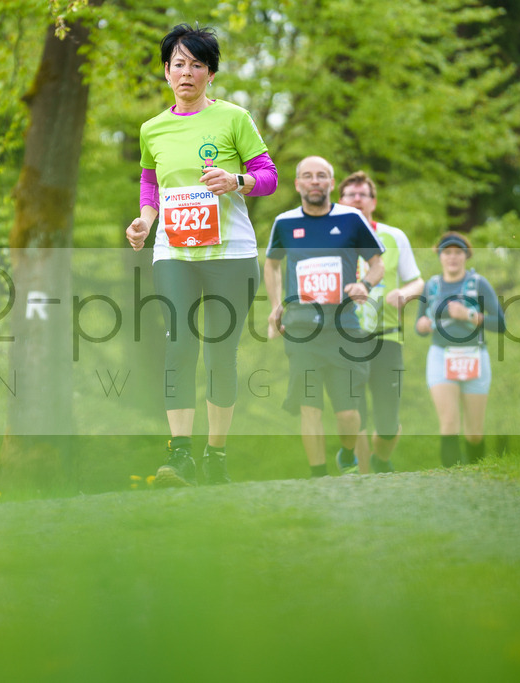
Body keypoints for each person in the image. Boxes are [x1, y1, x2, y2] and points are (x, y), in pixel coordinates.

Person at [126, 23, 278, 487]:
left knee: (220, 356)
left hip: (230, 254)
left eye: (196, 64)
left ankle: (216, 453)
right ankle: (180, 455)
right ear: (166, 72)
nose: (186, 72)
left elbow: (268, 175)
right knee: (178, 346)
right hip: (174, 252)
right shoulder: (152, 128)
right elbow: (150, 184)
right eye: (178, 64)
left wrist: (238, 182)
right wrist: (145, 222)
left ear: (210, 73)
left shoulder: (234, 118)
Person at [264, 156, 385, 478]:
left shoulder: (352, 219)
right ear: (298, 184)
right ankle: (317, 477)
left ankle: (346, 452)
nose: (315, 181)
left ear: (332, 183)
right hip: (302, 327)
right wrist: (276, 304)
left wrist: (365, 284)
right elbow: (272, 264)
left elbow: (377, 264)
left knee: (347, 413)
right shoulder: (285, 223)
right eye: (308, 176)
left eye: (321, 176)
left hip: (345, 328)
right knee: (310, 405)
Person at [337, 171, 424, 474]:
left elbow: (418, 282)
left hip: (387, 337)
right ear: (340, 201)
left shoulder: (394, 236)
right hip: (347, 335)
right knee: (354, 411)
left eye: (363, 194)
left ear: (373, 202)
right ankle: (364, 477)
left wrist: (404, 293)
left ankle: (381, 459)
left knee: (388, 422)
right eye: (350, 195)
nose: (357, 199)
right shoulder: (331, 236)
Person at [415, 232, 505, 467]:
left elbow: (501, 324)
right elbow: (419, 325)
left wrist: (469, 315)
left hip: (474, 355)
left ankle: (478, 476)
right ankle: (450, 481)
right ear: (440, 256)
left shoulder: (479, 284)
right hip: (440, 356)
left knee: (474, 431)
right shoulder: (431, 286)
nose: (452, 257)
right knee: (449, 423)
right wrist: (423, 326)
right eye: (447, 252)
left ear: (466, 256)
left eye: (458, 252)